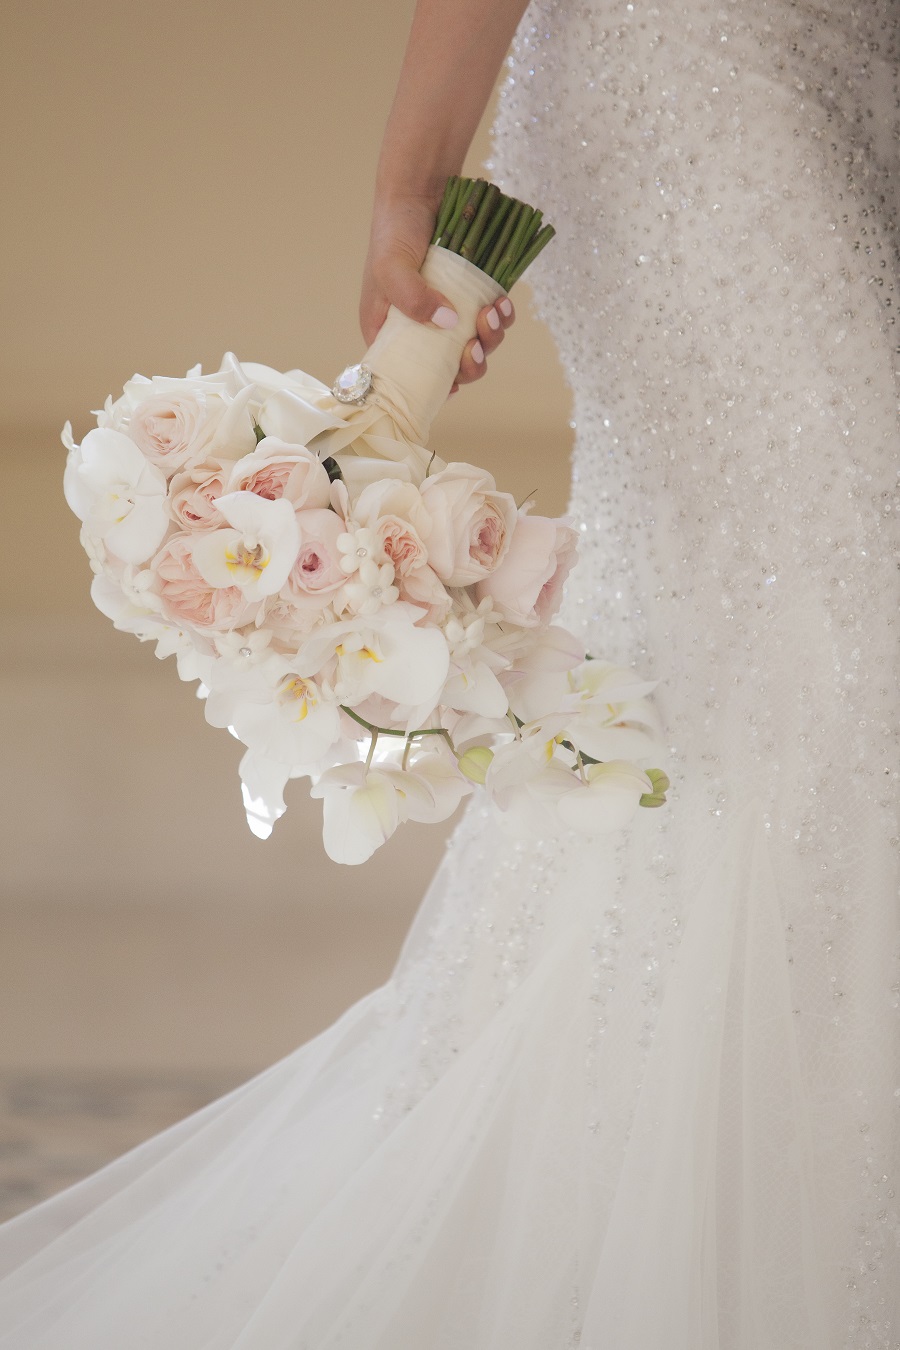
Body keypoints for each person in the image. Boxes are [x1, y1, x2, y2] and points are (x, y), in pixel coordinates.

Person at [1, 0, 898, 1344]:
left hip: (853, 64)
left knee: (760, 642)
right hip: (694, 74)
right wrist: (411, 184)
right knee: (845, 585)